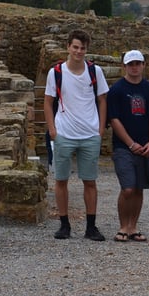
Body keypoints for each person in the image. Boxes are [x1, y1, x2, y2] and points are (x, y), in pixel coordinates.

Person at [44, 29, 109, 241]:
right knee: (61, 180)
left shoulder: (95, 71)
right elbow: (47, 101)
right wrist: (53, 131)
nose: (79, 51)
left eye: (82, 48)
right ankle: (64, 225)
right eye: (75, 47)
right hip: (64, 133)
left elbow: (102, 100)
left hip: (89, 134)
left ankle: (91, 226)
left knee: (90, 181)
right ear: (68, 47)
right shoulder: (56, 72)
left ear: (86, 49)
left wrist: (99, 130)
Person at [106, 50, 149, 242]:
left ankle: (133, 226)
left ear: (143, 65)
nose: (134, 67)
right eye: (131, 64)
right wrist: (130, 144)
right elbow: (113, 119)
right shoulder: (117, 90)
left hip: (145, 144)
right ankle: (123, 225)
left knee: (139, 188)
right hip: (123, 146)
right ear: (125, 66)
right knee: (128, 187)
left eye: (138, 63)